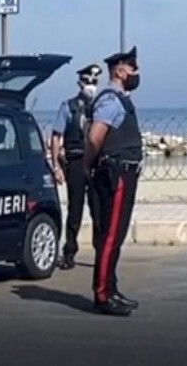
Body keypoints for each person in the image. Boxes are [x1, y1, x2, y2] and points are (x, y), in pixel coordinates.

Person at [83, 46, 143, 317]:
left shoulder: (121, 100)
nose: (136, 72)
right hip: (115, 175)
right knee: (110, 237)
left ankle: (111, 287)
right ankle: (103, 294)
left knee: (114, 237)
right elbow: (95, 137)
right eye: (133, 67)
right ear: (120, 71)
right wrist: (87, 165)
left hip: (124, 174)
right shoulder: (110, 100)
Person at [49, 63, 102, 270]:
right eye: (88, 81)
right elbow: (56, 136)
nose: (91, 85)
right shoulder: (68, 106)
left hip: (96, 163)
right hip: (76, 161)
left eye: (94, 81)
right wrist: (56, 166)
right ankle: (69, 252)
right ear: (80, 83)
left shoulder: (101, 106)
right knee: (75, 210)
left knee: (98, 210)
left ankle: (101, 255)